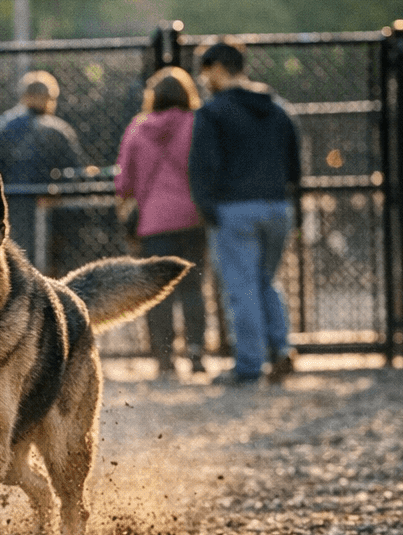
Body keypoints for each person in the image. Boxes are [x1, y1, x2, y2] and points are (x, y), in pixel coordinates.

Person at [188, 38, 301, 387]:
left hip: (234, 210)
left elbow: (202, 166)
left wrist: (208, 208)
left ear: (219, 69)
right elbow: (294, 166)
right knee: (266, 281)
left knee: (242, 288)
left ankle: (250, 365)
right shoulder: (278, 108)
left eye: (206, 73)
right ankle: (280, 348)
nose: (204, 81)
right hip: (278, 207)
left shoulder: (213, 112)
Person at [115, 66, 208, 380]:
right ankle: (196, 352)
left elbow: (123, 182)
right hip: (193, 218)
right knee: (193, 287)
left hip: (154, 223)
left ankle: (165, 357)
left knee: (159, 291)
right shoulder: (197, 124)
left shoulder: (139, 128)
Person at [0, 70, 84, 264]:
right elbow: (74, 171)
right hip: (47, 204)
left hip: (10, 202)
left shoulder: (4, 125)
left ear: (23, 96)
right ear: (49, 99)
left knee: (15, 254)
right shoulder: (57, 129)